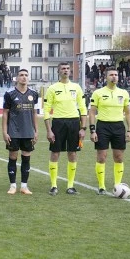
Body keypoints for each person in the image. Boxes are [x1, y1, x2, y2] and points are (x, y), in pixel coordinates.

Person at [44, 62, 88, 196]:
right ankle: (53, 185)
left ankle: (70, 186)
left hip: (74, 123)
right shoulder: (52, 88)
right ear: (58, 71)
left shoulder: (76, 87)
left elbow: (83, 108)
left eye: (68, 68)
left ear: (70, 71)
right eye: (63, 68)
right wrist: (49, 130)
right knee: (55, 153)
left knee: (72, 153)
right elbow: (46, 110)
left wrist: (83, 128)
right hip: (58, 123)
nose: (66, 70)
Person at [89, 67, 130, 194]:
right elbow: (92, 113)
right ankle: (101, 187)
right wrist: (92, 130)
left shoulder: (123, 93)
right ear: (106, 77)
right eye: (111, 75)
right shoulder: (98, 93)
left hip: (118, 126)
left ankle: (117, 185)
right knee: (102, 157)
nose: (114, 77)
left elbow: (128, 113)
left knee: (119, 157)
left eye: (116, 75)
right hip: (103, 126)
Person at [1, 69, 39, 195]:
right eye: (21, 75)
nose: (24, 77)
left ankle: (24, 186)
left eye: (26, 75)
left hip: (28, 132)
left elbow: (34, 113)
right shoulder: (9, 94)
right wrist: (5, 132)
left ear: (28, 78)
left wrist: (36, 131)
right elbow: (5, 114)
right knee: (13, 157)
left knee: (26, 158)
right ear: (17, 78)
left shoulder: (34, 94)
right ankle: (12, 186)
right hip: (13, 132)